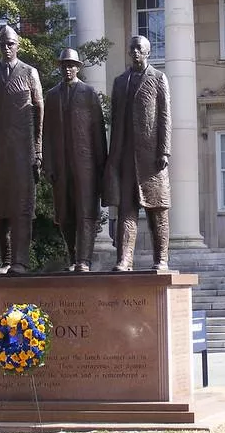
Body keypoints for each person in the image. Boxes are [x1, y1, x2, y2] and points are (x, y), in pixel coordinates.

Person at [103, 35, 172, 272]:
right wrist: (113, 158)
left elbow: (165, 116)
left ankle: (161, 259)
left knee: (158, 211)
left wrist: (164, 150)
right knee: (126, 211)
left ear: (148, 52)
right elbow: (114, 120)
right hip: (125, 157)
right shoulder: (120, 82)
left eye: (139, 49)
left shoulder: (158, 78)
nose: (134, 52)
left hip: (152, 158)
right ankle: (125, 259)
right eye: (131, 49)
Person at [0, 25, 44, 274]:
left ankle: (20, 261)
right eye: (3, 44)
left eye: (11, 44)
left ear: (18, 45)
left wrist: (38, 150)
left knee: (22, 207)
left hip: (23, 151)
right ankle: (5, 259)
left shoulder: (30, 72)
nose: (7, 48)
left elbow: (39, 110)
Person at [42, 48, 107, 272]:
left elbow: (98, 132)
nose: (67, 69)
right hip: (61, 166)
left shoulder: (88, 94)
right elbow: (46, 133)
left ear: (78, 68)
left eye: (71, 65)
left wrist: (101, 166)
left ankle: (84, 260)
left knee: (86, 213)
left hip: (86, 166)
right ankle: (72, 257)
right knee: (65, 215)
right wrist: (48, 164)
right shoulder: (51, 96)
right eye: (64, 65)